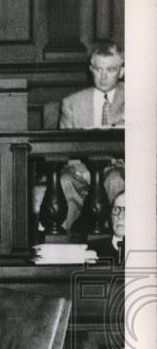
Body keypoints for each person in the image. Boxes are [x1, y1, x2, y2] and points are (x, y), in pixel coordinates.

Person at [58, 40, 125, 232]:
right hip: (83, 173)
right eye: (98, 69)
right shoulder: (72, 103)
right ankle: (63, 247)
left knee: (114, 180)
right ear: (90, 69)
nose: (103, 76)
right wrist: (85, 171)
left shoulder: (136, 98)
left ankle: (116, 244)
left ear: (121, 71)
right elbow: (63, 150)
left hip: (118, 171)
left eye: (110, 69)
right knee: (63, 181)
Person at [90, 191, 126, 266]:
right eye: (116, 209)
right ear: (110, 216)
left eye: (127, 210)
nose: (120, 216)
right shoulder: (93, 250)